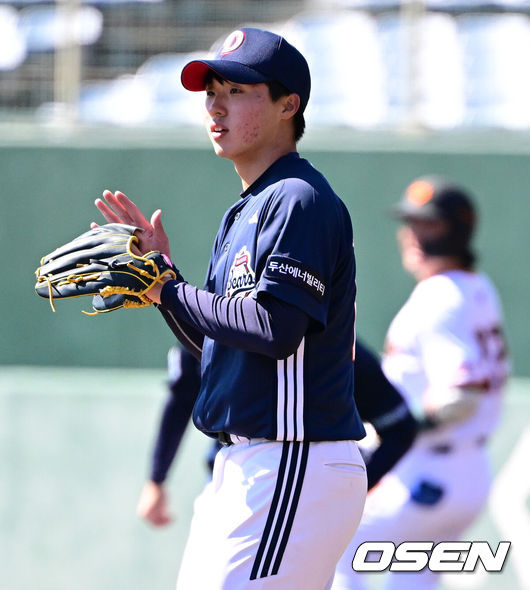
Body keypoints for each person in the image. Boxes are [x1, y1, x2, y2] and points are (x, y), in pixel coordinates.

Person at [94, 27, 368, 590]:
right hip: (248, 464)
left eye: (237, 91)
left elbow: (275, 329)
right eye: (211, 92)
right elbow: (218, 348)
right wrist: (163, 280)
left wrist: (166, 289)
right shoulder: (245, 210)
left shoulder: (298, 198)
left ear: (288, 105)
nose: (215, 107)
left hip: (293, 456)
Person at [331, 176, 510, 590]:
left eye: (428, 224)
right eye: (410, 223)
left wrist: (396, 426)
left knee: (334, 542)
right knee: (415, 575)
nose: (413, 235)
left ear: (456, 231)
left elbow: (460, 396)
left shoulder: (440, 296)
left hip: (425, 469)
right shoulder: (477, 286)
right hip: (466, 472)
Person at [136, 340, 418, 527]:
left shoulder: (338, 350)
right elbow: (181, 400)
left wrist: (354, 490)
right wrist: (156, 479)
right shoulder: (214, 323)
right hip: (230, 485)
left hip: (307, 496)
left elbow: (401, 427)